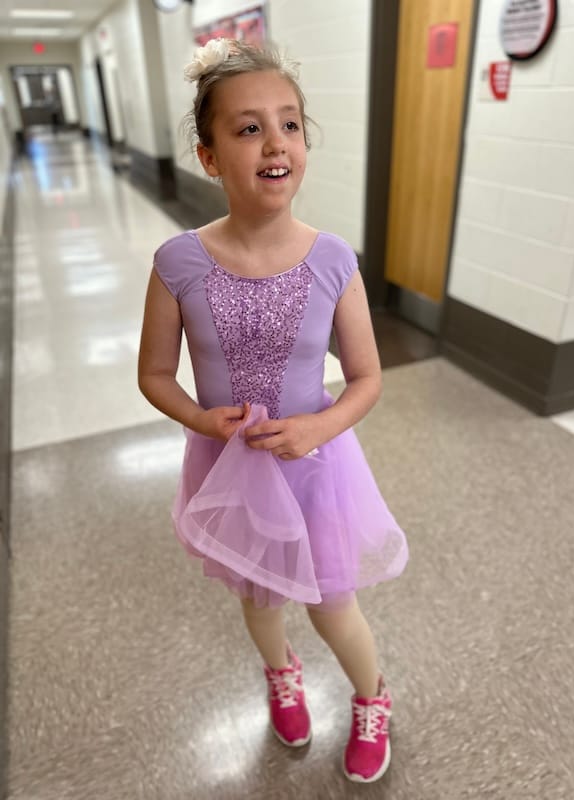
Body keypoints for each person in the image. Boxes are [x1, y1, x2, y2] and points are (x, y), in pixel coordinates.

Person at [138, 38, 408, 784]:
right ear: (209, 156)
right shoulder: (178, 264)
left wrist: (320, 425)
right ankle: (280, 672)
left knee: (332, 602)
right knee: (260, 594)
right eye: (249, 128)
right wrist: (201, 419)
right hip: (231, 468)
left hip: (316, 466)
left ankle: (371, 694)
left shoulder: (333, 261)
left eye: (290, 124)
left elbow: (366, 378)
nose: (275, 142)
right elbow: (155, 374)